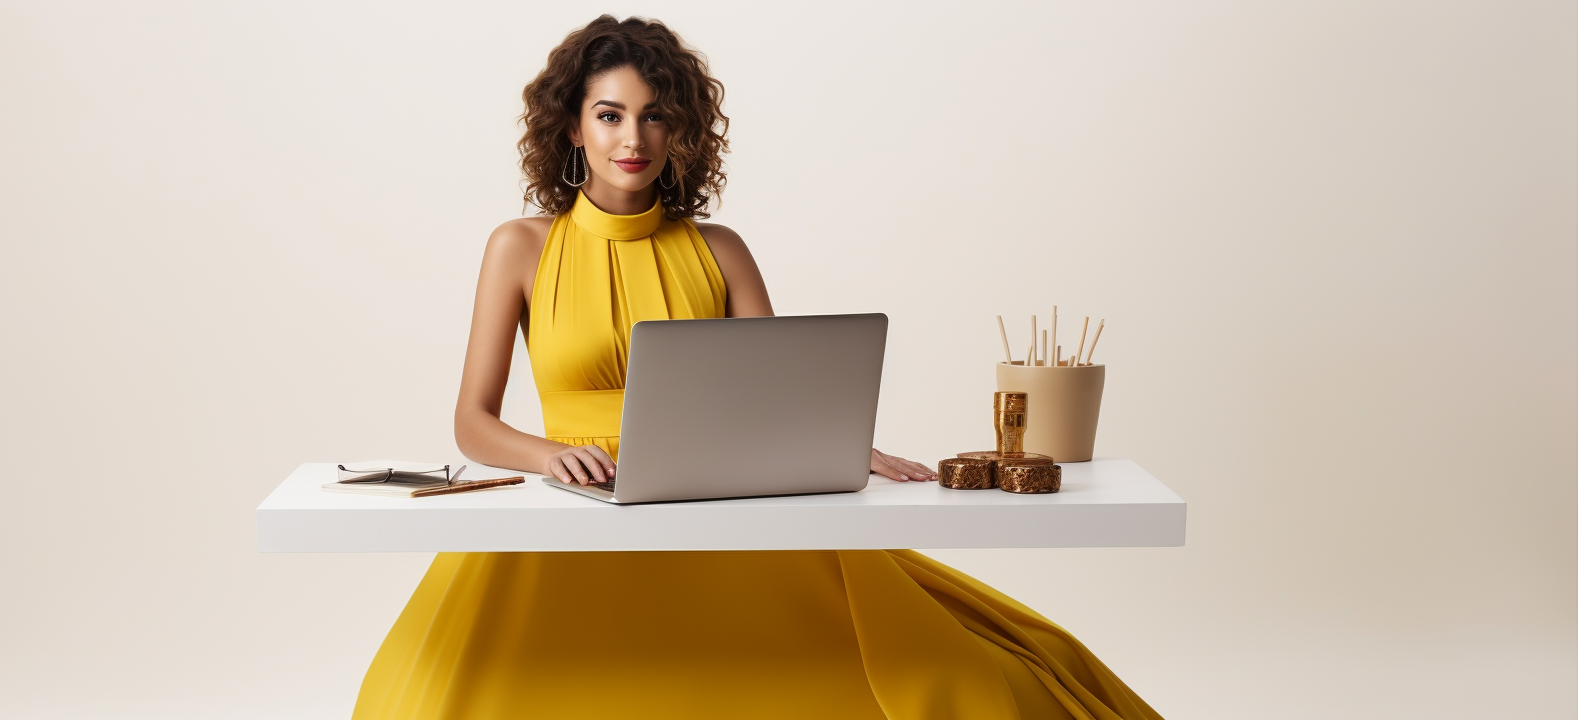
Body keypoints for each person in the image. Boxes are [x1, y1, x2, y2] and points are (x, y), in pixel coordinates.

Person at [353, 15, 1161, 720]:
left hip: (720, 510)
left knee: (961, 675)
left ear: (682, 131)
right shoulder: (519, 247)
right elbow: (472, 423)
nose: (632, 140)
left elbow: (774, 398)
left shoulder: (720, 250)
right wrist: (548, 456)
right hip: (573, 510)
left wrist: (839, 445)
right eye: (609, 116)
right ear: (572, 128)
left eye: (655, 116)